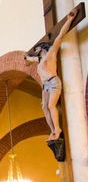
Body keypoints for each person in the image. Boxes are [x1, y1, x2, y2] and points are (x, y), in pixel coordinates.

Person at [24, 9, 76, 141]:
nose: (35, 52)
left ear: (42, 49)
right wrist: (26, 57)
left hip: (53, 82)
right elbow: (28, 59)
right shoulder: (39, 60)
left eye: (37, 50)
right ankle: (53, 130)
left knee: (51, 105)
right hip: (45, 86)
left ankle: (57, 129)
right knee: (44, 107)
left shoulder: (51, 53)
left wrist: (69, 20)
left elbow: (59, 36)